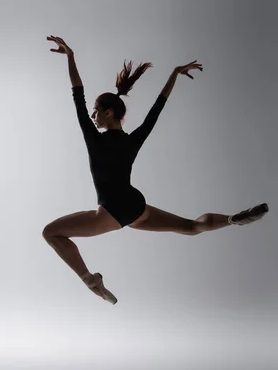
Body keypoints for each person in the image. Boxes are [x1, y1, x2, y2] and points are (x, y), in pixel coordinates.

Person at [43, 35, 269, 304]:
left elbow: (77, 94)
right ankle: (233, 219)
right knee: (190, 226)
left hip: (112, 209)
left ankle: (91, 281)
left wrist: (70, 56)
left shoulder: (94, 138)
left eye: (96, 111)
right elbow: (157, 109)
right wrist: (173, 74)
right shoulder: (132, 140)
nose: (92, 116)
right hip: (136, 206)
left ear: (109, 112)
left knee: (51, 232)